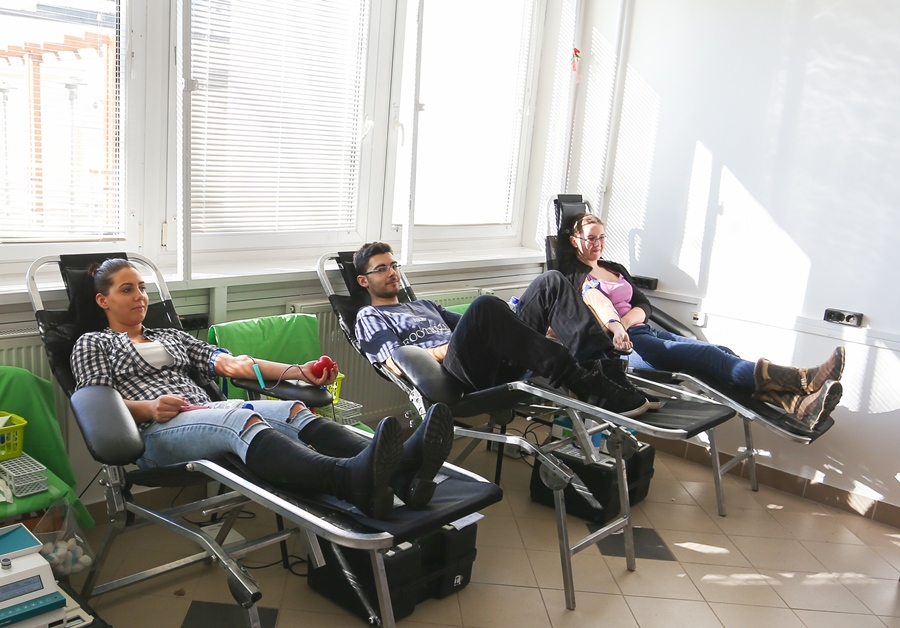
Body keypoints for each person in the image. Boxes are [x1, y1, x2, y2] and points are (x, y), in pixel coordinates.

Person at [70, 258, 456, 519]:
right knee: (240, 418)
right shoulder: (93, 343)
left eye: (141, 287)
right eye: (127, 290)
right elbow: (99, 402)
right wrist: (148, 408)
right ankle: (348, 480)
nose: (140, 296)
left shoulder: (171, 336)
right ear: (103, 300)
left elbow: (233, 362)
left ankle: (402, 472)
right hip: (154, 435)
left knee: (292, 410)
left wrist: (299, 372)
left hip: (207, 416)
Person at [555, 212, 844, 429]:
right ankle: (803, 378)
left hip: (645, 331)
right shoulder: (574, 277)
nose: (597, 244)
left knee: (722, 352)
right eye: (591, 238)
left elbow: (644, 304)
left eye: (601, 237)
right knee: (710, 357)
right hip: (628, 347)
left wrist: (631, 317)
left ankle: (796, 404)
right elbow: (597, 308)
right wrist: (621, 326)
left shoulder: (613, 267)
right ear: (574, 241)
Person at [352, 242, 651, 417]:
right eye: (381, 269)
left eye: (394, 265)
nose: (392, 273)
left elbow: (472, 326)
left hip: (489, 360)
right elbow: (395, 362)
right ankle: (578, 378)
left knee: (551, 282)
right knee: (484, 305)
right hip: (455, 374)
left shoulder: (425, 305)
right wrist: (443, 350)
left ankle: (602, 369)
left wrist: (529, 325)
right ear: (364, 281)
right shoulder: (369, 315)